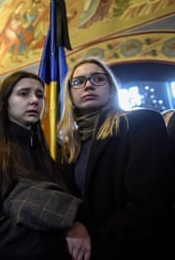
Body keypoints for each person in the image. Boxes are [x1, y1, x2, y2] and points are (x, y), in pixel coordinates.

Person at [0, 71, 91, 260]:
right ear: (6, 102)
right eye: (24, 94)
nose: (34, 101)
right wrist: (58, 243)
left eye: (39, 95)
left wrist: (77, 224)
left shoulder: (50, 162)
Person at [57, 57, 175, 259]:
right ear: (69, 93)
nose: (88, 85)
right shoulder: (68, 147)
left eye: (97, 79)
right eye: (79, 81)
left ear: (111, 88)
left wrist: (95, 244)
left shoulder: (142, 122)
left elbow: (149, 204)